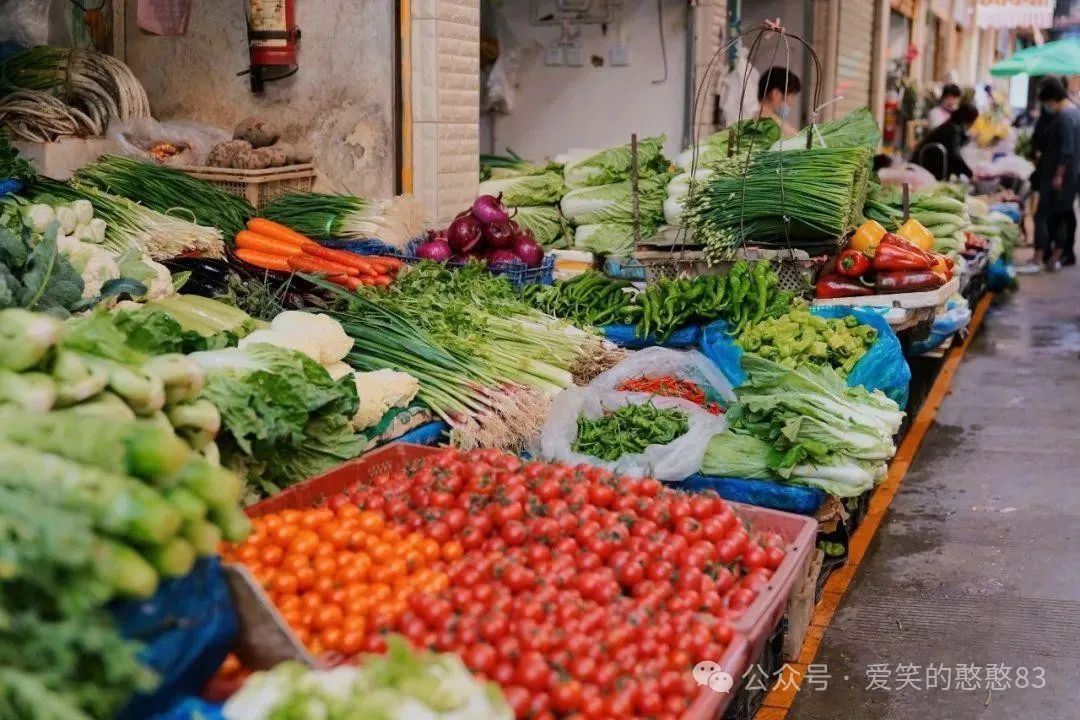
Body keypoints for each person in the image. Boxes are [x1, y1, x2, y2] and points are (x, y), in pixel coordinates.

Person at [1029, 77, 1079, 271]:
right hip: (1070, 176)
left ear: (1051, 99)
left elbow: (1067, 150)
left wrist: (1058, 175)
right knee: (1060, 216)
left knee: (1042, 216)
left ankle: (1038, 258)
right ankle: (1055, 259)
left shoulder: (1065, 117)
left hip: (1057, 176)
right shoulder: (1075, 112)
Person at [911, 101, 978, 181]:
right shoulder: (952, 129)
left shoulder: (952, 125)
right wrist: (970, 174)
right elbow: (954, 155)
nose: (972, 124)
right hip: (923, 168)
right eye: (972, 121)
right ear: (967, 119)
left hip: (925, 166)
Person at [757, 66, 801, 138]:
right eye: (792, 96)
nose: (792, 103)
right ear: (776, 93)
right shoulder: (773, 125)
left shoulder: (750, 116)